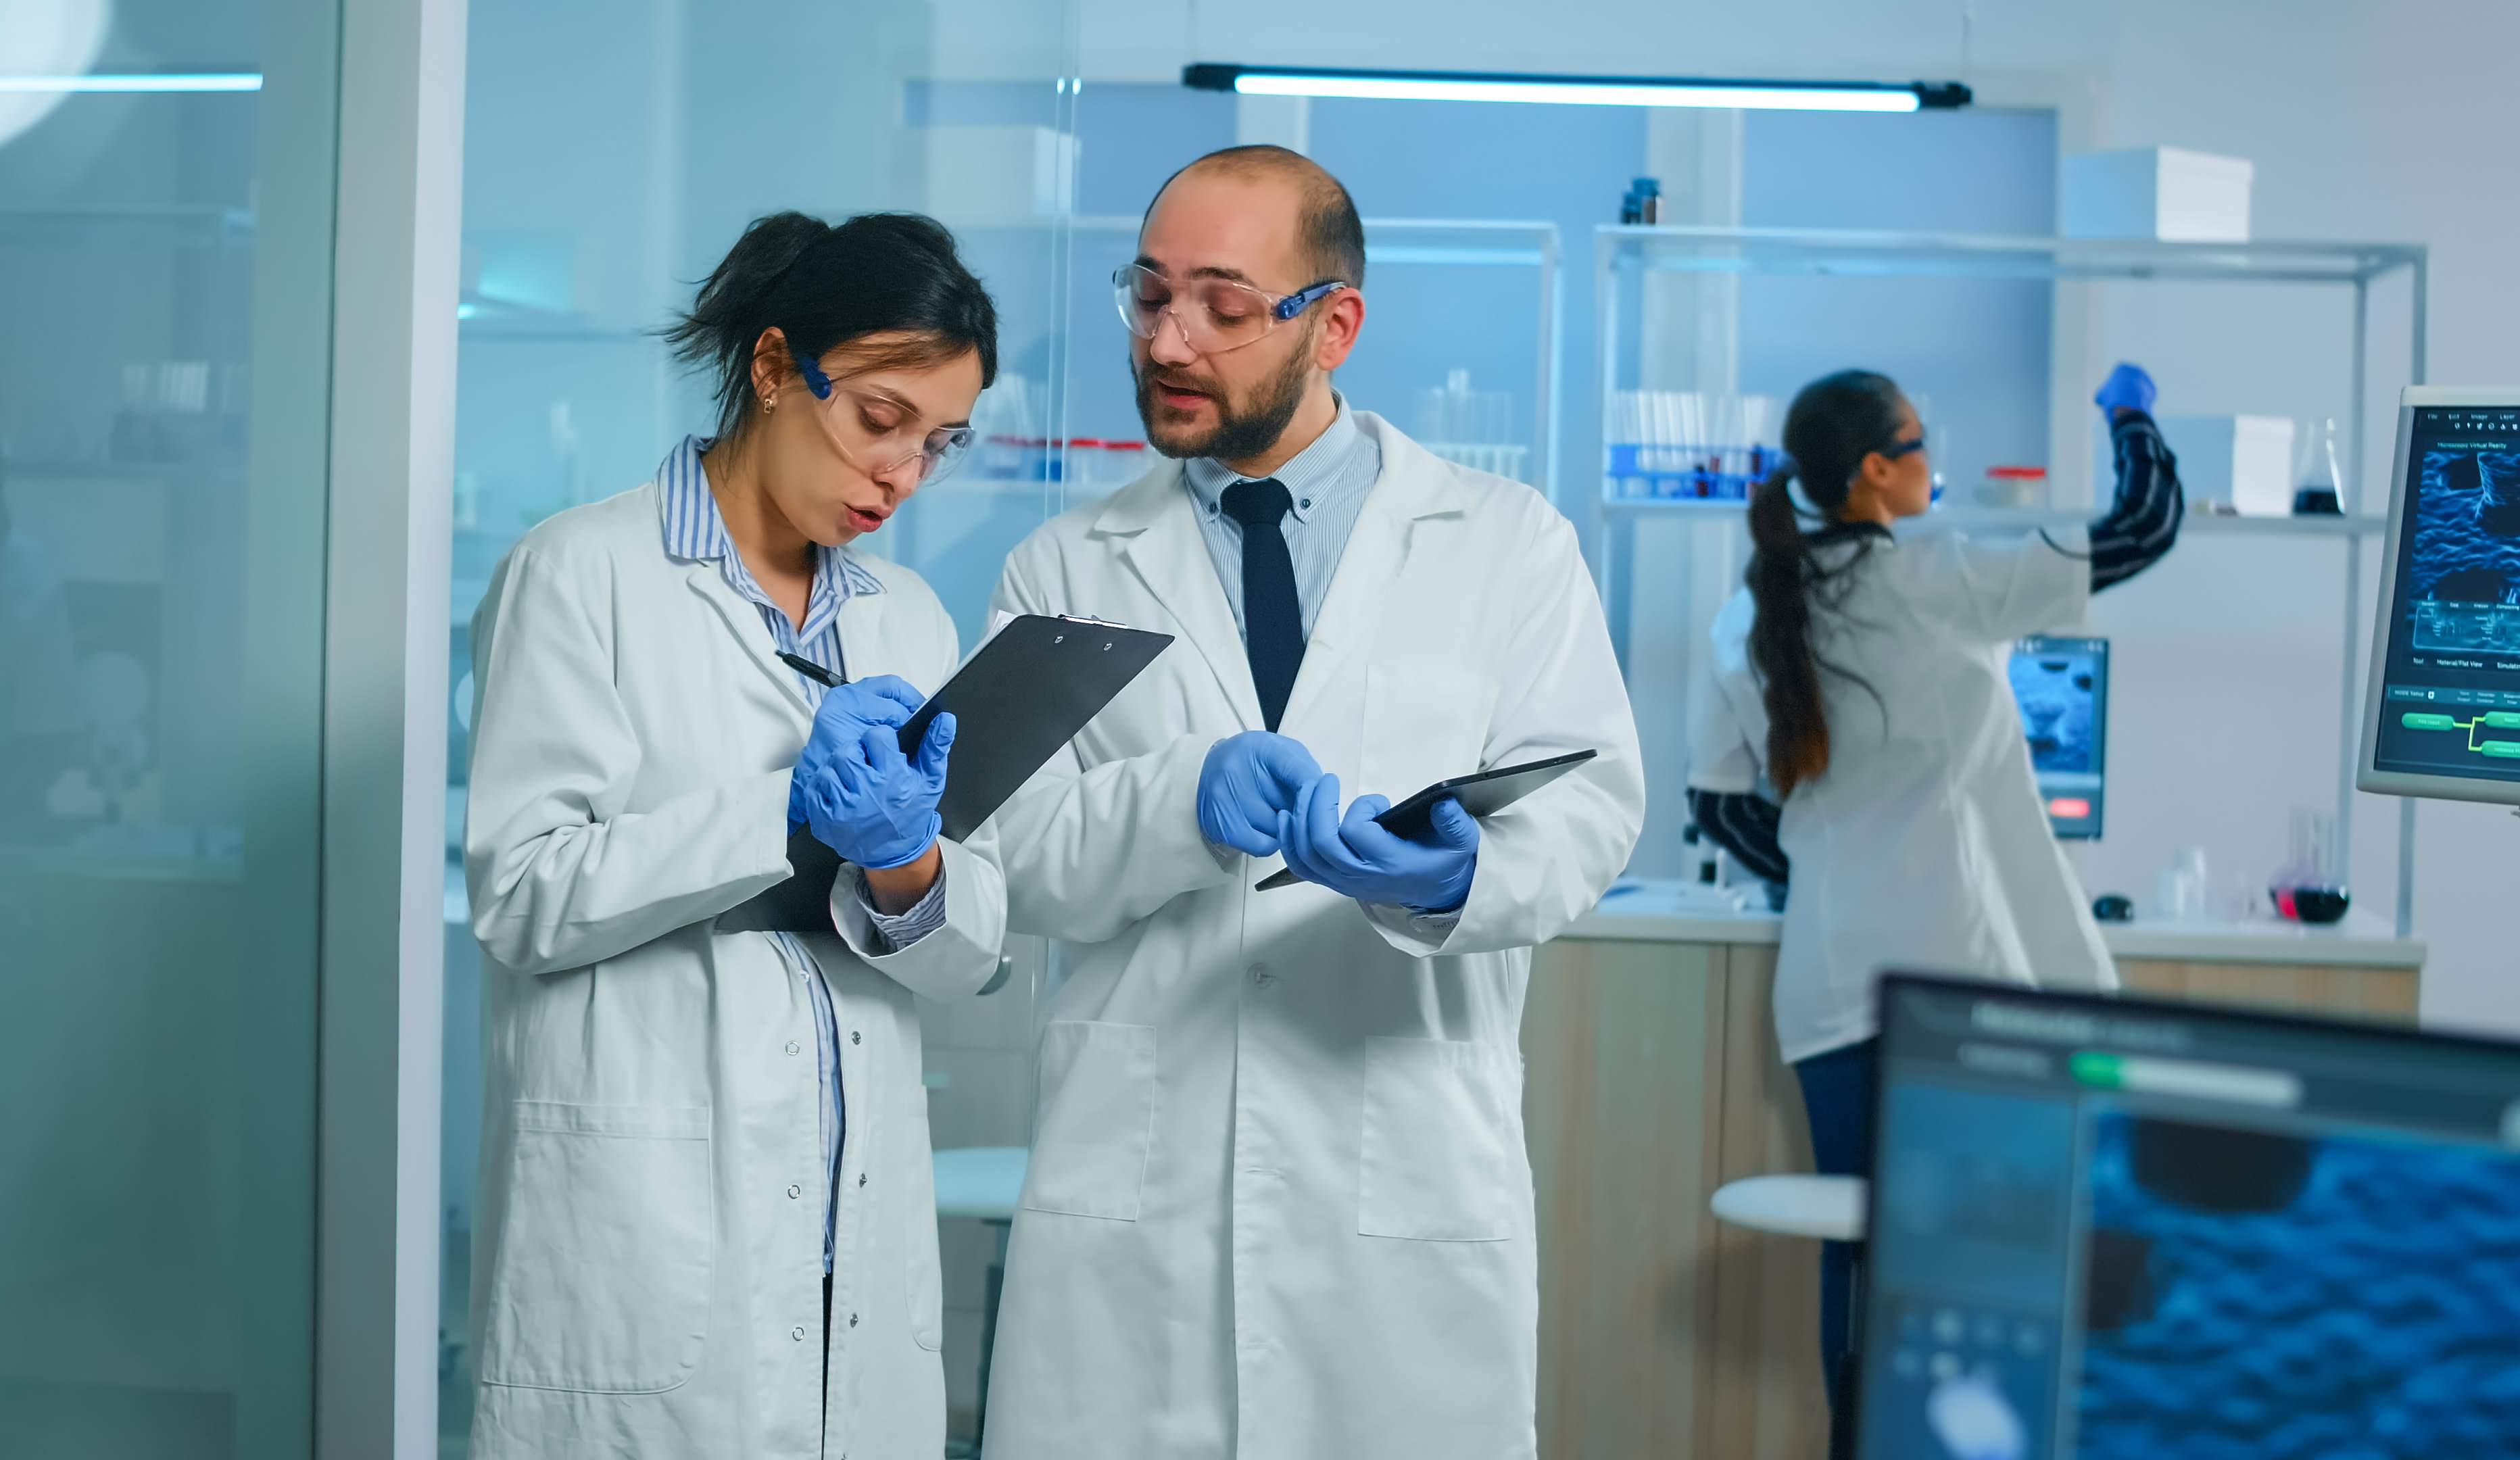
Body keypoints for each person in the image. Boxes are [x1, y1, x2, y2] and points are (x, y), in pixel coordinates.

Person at [978, 146, 1645, 1459]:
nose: (1167, 340)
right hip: (1138, 1194)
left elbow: (1592, 808)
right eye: (1148, 295)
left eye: (1222, 307)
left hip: (1395, 1185)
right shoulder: (1065, 563)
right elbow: (1008, 855)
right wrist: (1183, 804)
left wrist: (1452, 878)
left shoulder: (1506, 544)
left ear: (1331, 325)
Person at [462, 212, 1008, 1459]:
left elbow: (973, 949)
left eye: (940, 444)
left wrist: (905, 865)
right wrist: (783, 810)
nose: (903, 477)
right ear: (772, 367)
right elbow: (523, 895)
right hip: (644, 1231)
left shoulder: (910, 620)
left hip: (849, 1241)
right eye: (879, 420)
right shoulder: (582, 573)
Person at [1686, 364, 2183, 1414]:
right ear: (1875, 471)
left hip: (1831, 993)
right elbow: (2142, 527)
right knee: (1975, 1263)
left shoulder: (1747, 617)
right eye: (1918, 443)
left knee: (1862, 1252)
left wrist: (1826, 862)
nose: (1932, 463)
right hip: (1964, 984)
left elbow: (1723, 809)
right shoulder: (1942, 576)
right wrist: (2130, 413)